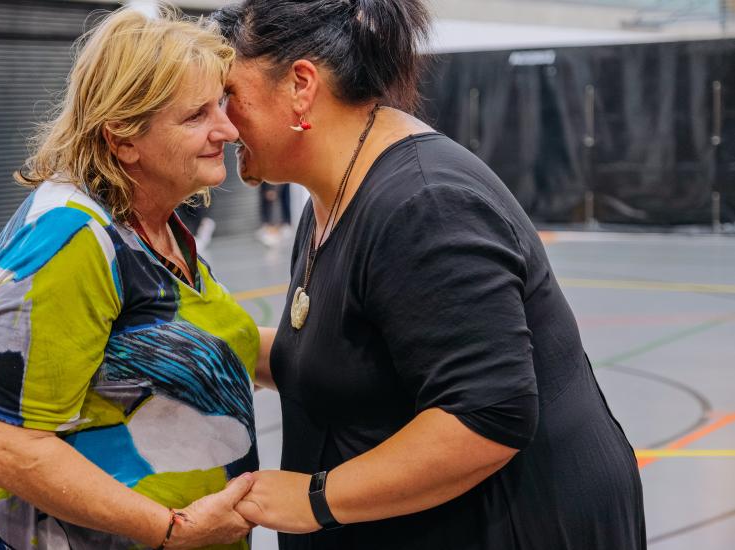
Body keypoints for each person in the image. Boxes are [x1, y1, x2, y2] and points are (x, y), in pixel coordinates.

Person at [215, 1, 646, 549]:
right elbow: (341, 357)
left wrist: (314, 499)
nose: (223, 124)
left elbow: (487, 415)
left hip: (518, 525)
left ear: (301, 85)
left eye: (231, 95)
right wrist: (212, 343)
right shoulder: (334, 194)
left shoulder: (425, 203)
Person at [0, 7, 262, 549]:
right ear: (123, 138)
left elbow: (198, 344)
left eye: (220, 105)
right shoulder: (71, 241)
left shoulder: (151, 221)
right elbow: (6, 449)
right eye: (196, 115)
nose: (228, 129)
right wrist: (173, 531)